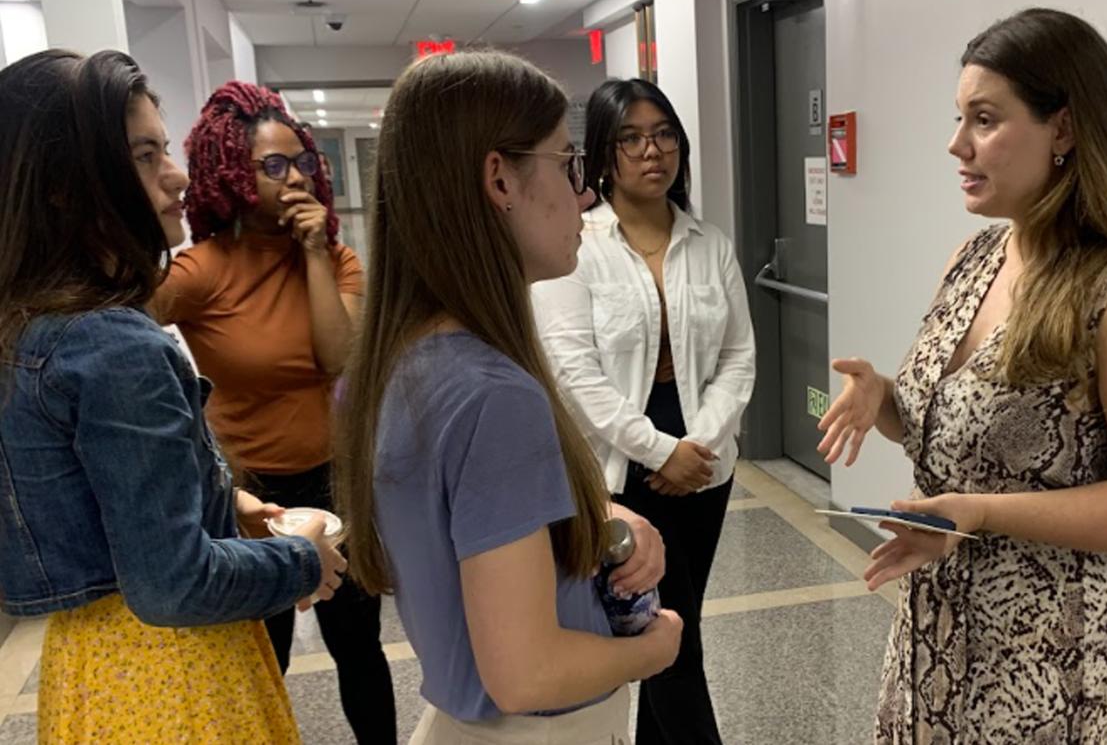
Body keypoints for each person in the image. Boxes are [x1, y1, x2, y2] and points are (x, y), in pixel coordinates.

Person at [816, 8, 1107, 744]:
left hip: (1065, 657)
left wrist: (979, 512)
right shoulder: (975, 259)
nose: (956, 144)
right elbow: (949, 425)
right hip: (942, 631)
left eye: (984, 118)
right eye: (958, 118)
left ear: (1065, 130)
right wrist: (881, 395)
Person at [332, 49, 684, 745]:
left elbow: (472, 527)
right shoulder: (494, 396)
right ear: (499, 177)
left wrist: (600, 513)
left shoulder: (395, 370)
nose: (585, 195)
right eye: (567, 164)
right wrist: (659, 646)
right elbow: (526, 670)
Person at [0, 49, 346, 744]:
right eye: (143, 154)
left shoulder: (26, 324)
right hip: (175, 673)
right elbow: (174, 584)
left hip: (92, 667)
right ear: (66, 186)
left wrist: (220, 499)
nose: (176, 175)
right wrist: (305, 555)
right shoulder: (120, 343)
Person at [150, 81, 395, 743]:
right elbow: (116, 333)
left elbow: (338, 356)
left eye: (302, 162)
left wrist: (314, 251)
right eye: (273, 166)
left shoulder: (338, 259)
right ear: (232, 172)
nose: (294, 178)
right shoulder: (201, 271)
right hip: (252, 499)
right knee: (265, 658)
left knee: (359, 650)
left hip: (336, 480)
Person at [532, 78, 757, 745]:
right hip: (622, 474)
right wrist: (661, 451)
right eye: (630, 137)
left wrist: (701, 444)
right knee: (671, 642)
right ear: (602, 154)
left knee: (675, 629)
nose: (650, 150)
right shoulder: (577, 246)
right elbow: (575, 374)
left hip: (703, 469)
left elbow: (739, 355)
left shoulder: (709, 243)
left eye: (662, 133)